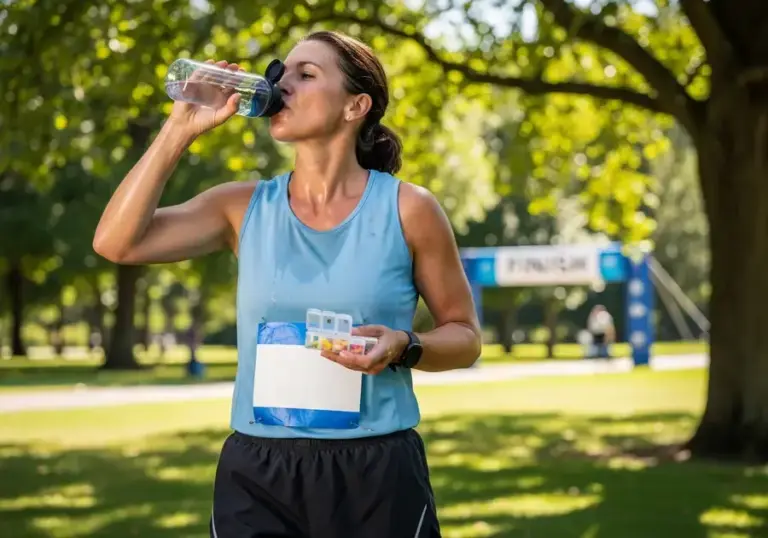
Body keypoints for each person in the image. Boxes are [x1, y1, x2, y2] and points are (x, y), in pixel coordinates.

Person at [93, 30, 481, 538]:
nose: (281, 85)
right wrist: (178, 129)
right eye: (280, 72)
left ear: (356, 106)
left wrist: (405, 345)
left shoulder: (409, 209)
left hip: (377, 474)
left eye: (306, 74)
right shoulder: (240, 207)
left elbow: (465, 337)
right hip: (258, 473)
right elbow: (116, 243)